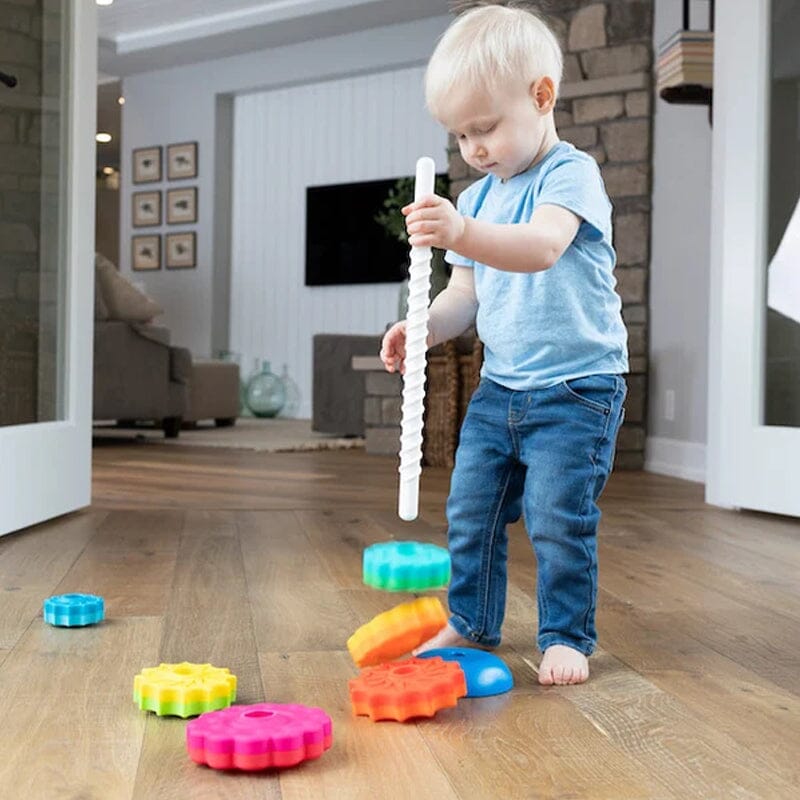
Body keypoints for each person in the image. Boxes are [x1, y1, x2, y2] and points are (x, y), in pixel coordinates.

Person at [379, 3, 628, 686]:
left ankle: (566, 636)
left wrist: (459, 231)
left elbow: (543, 248)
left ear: (541, 96)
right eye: (460, 136)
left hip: (577, 387)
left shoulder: (568, 176)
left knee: (557, 516)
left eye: (484, 128)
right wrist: (424, 327)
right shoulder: (481, 198)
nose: (474, 149)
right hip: (503, 387)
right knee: (471, 507)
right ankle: (475, 621)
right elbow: (467, 296)